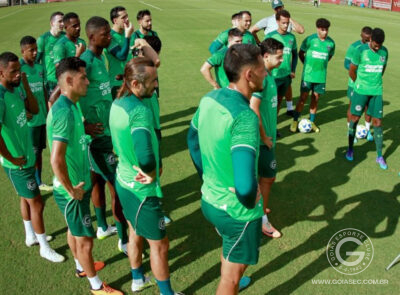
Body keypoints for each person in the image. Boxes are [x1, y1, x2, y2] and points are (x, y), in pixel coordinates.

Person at [188, 44, 265, 294]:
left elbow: (192, 141)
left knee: (230, 254)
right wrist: (249, 196)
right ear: (249, 75)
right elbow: (244, 185)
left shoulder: (210, 97)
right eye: (262, 69)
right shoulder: (245, 117)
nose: (267, 74)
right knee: (231, 279)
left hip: (209, 200)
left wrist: (207, 178)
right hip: (236, 213)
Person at [47, 57, 121, 295]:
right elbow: (56, 159)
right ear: (69, 80)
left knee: (74, 230)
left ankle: (81, 267)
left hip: (78, 186)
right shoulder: (63, 112)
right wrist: (71, 190)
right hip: (72, 190)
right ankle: (97, 286)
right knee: (86, 239)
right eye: (83, 78)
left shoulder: (70, 106)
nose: (88, 82)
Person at [110, 57, 183, 295]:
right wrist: (151, 173)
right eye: (152, 81)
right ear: (135, 83)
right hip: (141, 190)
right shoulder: (140, 111)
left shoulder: (118, 102)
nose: (156, 85)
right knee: (159, 245)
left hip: (123, 180)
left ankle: (137, 278)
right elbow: (146, 156)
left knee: (134, 231)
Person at [0, 51, 63, 262]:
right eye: (14, 72)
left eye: (19, 70)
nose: (19, 74)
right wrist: (10, 157)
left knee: (25, 198)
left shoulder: (16, 89)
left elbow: (35, 109)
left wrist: (25, 85)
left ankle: (30, 236)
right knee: (37, 202)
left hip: (26, 155)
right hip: (16, 162)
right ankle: (44, 247)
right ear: (1, 73)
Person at [79, 16, 128, 253]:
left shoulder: (99, 58)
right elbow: (58, 95)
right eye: (105, 34)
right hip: (97, 136)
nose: (110, 37)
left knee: (97, 181)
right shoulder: (86, 61)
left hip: (103, 132)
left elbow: (96, 91)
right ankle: (124, 240)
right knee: (115, 186)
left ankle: (102, 226)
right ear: (92, 37)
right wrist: (82, 125)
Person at [250, 38, 283, 238]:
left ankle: (259, 209)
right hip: (262, 142)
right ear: (265, 56)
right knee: (267, 178)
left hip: (266, 140)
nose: (282, 60)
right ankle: (261, 219)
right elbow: (254, 109)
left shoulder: (268, 75)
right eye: (278, 57)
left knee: (262, 179)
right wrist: (264, 137)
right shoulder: (261, 78)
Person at [346, 28, 388, 170]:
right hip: (360, 91)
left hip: (376, 92)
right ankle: (350, 148)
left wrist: (374, 82)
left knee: (378, 122)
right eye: (376, 44)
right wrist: (359, 84)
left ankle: (380, 156)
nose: (378, 47)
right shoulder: (360, 51)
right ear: (370, 40)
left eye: (380, 45)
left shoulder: (384, 52)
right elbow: (352, 70)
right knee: (355, 119)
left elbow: (382, 69)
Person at [290, 18, 335, 133]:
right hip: (308, 76)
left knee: (315, 99)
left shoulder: (331, 43)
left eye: (326, 30)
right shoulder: (310, 40)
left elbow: (328, 57)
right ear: (317, 29)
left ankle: (312, 121)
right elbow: (301, 53)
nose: (325, 32)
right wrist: (307, 65)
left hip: (320, 77)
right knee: (303, 98)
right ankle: (295, 120)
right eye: (322, 30)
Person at [20, 36, 52, 191]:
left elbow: (44, 89)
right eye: (30, 50)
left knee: (39, 151)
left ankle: (38, 182)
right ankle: (30, 182)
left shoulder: (40, 68)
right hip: (30, 121)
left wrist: (47, 108)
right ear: (22, 52)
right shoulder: (19, 70)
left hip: (42, 117)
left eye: (35, 49)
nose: (34, 53)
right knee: (31, 152)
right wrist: (23, 111)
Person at [265, 9, 298, 117]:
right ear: (277, 21)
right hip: (272, 76)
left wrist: (293, 70)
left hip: (286, 76)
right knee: (268, 103)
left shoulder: (291, 37)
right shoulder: (270, 36)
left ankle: (274, 126)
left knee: (279, 101)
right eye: (283, 23)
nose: (285, 25)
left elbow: (295, 55)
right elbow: (263, 55)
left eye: (287, 23)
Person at [344, 26, 372, 141]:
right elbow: (346, 64)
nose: (368, 42)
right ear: (361, 36)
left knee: (367, 107)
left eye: (370, 39)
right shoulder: (354, 47)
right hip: (354, 83)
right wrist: (357, 71)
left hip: (368, 84)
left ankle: (368, 130)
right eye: (366, 39)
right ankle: (350, 131)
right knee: (352, 106)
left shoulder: (373, 48)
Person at [104, 6, 134, 99]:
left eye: (127, 16)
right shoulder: (110, 37)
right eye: (123, 17)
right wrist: (127, 37)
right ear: (115, 20)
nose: (127, 19)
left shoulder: (128, 33)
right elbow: (121, 56)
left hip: (131, 81)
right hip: (117, 83)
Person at [36, 11, 65, 95]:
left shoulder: (65, 37)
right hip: (50, 82)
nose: (62, 24)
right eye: (60, 21)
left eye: (63, 21)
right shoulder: (43, 39)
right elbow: (36, 62)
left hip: (64, 80)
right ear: (52, 23)